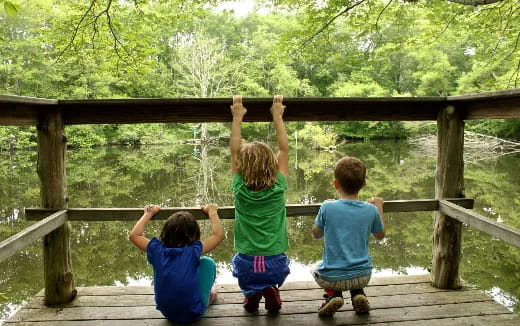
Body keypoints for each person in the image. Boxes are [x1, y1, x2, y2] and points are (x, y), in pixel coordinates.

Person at [229, 95, 291, 313]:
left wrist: (237, 117)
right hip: (275, 262)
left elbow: (234, 150)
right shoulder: (279, 185)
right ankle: (269, 288)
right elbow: (284, 149)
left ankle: (252, 295)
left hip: (247, 261)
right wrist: (277, 116)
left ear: (242, 166)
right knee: (268, 275)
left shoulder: (239, 186)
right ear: (272, 163)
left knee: (244, 274)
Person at [311, 156, 386, 317]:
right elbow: (380, 235)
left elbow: (316, 234)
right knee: (354, 266)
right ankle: (358, 294)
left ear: (335, 183)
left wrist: (324, 210)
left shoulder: (327, 207)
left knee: (315, 268)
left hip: (333, 278)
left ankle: (333, 295)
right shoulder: (370, 210)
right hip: (363, 276)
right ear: (364, 184)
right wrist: (379, 207)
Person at [129, 204, 225, 323]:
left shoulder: (156, 250)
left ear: (165, 232)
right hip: (194, 313)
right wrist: (212, 211)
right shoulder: (193, 251)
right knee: (207, 262)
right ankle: (208, 296)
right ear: (194, 234)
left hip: (167, 312)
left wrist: (148, 214)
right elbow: (219, 235)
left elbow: (134, 235)